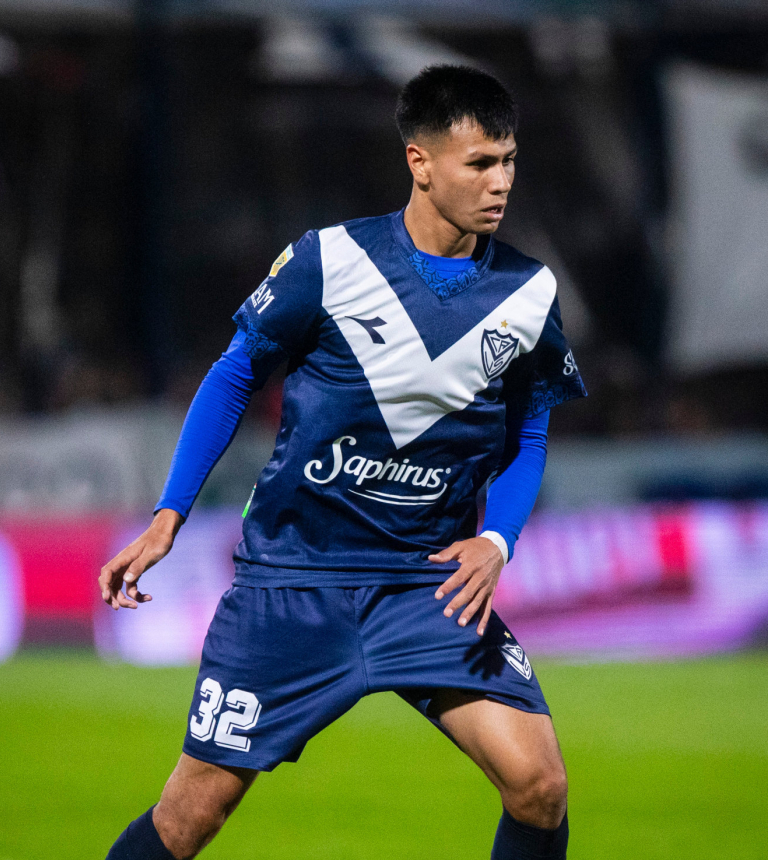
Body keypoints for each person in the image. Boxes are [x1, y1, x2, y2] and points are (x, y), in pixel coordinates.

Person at [100, 64, 586, 860]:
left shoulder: (528, 292)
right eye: (479, 163)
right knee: (190, 819)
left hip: (426, 586)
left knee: (541, 786)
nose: (501, 182)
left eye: (508, 161)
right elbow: (232, 376)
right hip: (294, 583)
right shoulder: (329, 262)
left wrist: (497, 541)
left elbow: (528, 433)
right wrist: (167, 517)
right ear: (419, 162)